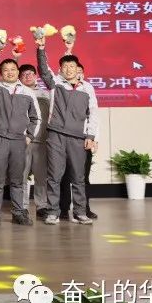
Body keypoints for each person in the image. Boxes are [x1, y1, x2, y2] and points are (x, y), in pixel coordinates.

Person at [36, 41, 99, 226]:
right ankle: (53, 212)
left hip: (78, 138)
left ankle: (80, 212)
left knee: (78, 177)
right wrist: (41, 48)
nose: (69, 69)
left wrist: (91, 136)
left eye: (72, 66)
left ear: (78, 69)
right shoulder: (56, 84)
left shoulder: (87, 88)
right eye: (65, 66)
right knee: (54, 176)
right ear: (61, 69)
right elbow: (43, 70)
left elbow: (93, 113)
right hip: (56, 135)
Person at [0, 49, 41, 226]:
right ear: (1, 73)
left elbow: (36, 117)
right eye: (5, 70)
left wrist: (29, 136)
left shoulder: (28, 92)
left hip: (18, 141)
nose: (9, 72)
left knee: (17, 180)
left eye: (13, 69)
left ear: (18, 71)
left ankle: (18, 213)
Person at [18, 64, 52, 217]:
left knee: (41, 176)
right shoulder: (17, 93)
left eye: (31, 73)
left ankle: (42, 206)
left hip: (41, 141)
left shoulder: (46, 94)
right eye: (24, 74)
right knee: (21, 176)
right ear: (19, 77)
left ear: (36, 76)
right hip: (22, 141)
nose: (28, 76)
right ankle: (22, 206)